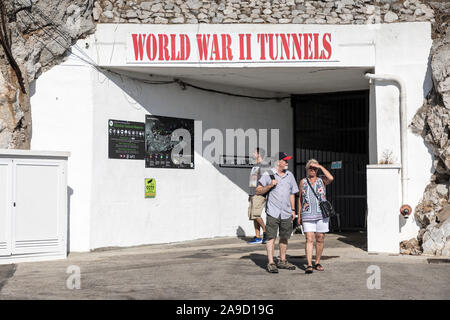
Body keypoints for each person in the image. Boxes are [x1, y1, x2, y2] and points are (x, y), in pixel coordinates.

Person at [256, 152, 299, 273]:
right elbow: (258, 190)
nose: (287, 162)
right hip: (273, 212)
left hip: (286, 212)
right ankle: (270, 262)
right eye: (285, 160)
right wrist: (270, 185)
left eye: (287, 160)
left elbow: (292, 193)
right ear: (278, 162)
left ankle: (282, 260)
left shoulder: (289, 175)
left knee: (285, 237)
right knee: (271, 237)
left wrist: (293, 210)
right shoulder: (268, 174)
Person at [297, 159, 334, 274]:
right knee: (309, 238)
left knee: (320, 238)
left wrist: (320, 166)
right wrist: (299, 215)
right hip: (307, 214)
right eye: (310, 168)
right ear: (307, 169)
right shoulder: (303, 182)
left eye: (314, 168)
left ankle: (317, 262)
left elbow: (331, 178)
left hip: (321, 214)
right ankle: (309, 264)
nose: (312, 170)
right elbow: (300, 198)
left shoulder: (322, 180)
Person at [247, 148, 271, 244]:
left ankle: (266, 232)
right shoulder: (255, 166)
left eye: (254, 152)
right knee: (253, 215)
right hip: (253, 193)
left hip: (260, 193)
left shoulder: (264, 165)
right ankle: (257, 237)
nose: (252, 153)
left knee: (256, 214)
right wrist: (250, 193)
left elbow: (268, 180)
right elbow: (253, 181)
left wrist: (264, 191)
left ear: (259, 154)